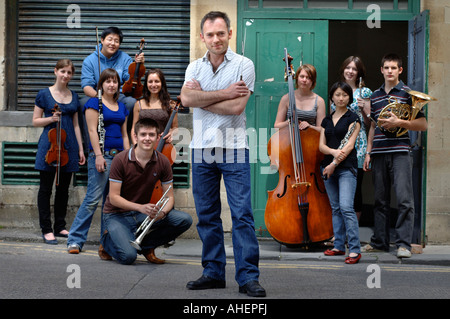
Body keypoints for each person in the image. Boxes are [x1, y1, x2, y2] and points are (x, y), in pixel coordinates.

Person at [180, 11, 266, 297]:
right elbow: (185, 99)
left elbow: (236, 108)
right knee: (207, 216)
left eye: (221, 33)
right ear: (202, 37)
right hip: (201, 149)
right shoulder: (194, 67)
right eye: (210, 34)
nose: (215, 39)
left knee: (242, 215)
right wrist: (225, 92)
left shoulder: (245, 64)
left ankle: (248, 278)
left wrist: (204, 97)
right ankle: (213, 272)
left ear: (230, 33)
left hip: (234, 148)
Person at [99, 118, 192, 265]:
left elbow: (169, 197)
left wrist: (162, 213)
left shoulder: (163, 161)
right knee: (128, 257)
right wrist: (140, 207)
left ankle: (146, 246)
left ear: (157, 137)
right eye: (143, 134)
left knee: (184, 220)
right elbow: (114, 197)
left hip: (142, 214)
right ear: (135, 137)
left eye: (151, 135)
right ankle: (107, 242)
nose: (147, 138)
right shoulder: (120, 159)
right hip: (117, 215)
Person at [363, 53, 428, 258]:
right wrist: (368, 151)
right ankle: (380, 242)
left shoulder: (409, 94)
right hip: (379, 153)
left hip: (400, 152)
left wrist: (400, 123)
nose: (390, 71)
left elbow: (423, 125)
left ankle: (403, 245)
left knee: (404, 199)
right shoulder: (375, 96)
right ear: (381, 70)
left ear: (400, 70)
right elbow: (373, 126)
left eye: (394, 68)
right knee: (380, 200)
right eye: (386, 68)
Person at [67, 68, 130, 254]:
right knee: (92, 200)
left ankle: (106, 243)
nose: (112, 85)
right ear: (101, 84)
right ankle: (75, 240)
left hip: (120, 157)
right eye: (107, 81)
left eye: (115, 81)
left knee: (111, 201)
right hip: (103, 156)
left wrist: (128, 158)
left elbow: (125, 135)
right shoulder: (95, 103)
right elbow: (92, 131)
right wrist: (99, 155)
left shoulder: (122, 106)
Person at [32, 59, 86, 244]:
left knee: (63, 189)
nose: (66, 75)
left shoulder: (74, 96)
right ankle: (46, 229)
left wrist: (80, 148)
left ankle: (60, 226)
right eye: (62, 71)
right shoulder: (44, 94)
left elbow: (77, 125)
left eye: (69, 72)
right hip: (49, 146)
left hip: (69, 146)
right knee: (45, 189)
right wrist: (51, 119)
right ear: (55, 71)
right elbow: (35, 121)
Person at [319, 82, 362, 264]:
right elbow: (321, 146)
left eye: (344, 95)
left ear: (349, 97)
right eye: (337, 94)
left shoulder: (354, 118)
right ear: (332, 97)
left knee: (346, 207)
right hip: (327, 166)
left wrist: (335, 162)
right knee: (335, 208)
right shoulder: (326, 120)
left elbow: (350, 145)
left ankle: (354, 249)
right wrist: (333, 152)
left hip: (346, 169)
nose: (341, 98)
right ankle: (338, 245)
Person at [80, 26, 145, 143]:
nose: (113, 43)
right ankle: (89, 146)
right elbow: (86, 86)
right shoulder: (89, 60)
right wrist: (100, 98)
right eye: (110, 39)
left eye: (116, 41)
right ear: (102, 40)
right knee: (84, 103)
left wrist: (137, 67)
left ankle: (126, 141)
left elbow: (130, 81)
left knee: (131, 102)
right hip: (98, 95)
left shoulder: (125, 58)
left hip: (118, 96)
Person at [332, 56, 372, 221]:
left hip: (358, 142)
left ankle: (351, 231)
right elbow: (331, 118)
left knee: (355, 188)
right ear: (343, 69)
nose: (350, 71)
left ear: (359, 73)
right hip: (339, 141)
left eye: (354, 69)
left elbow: (370, 121)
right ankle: (338, 230)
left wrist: (363, 109)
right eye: (348, 67)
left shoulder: (364, 92)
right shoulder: (337, 90)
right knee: (337, 185)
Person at [130, 69, 178, 146]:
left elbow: (175, 127)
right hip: (143, 145)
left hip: (163, 145)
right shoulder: (138, 104)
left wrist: (171, 133)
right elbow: (133, 129)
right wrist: (136, 146)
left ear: (162, 83)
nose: (153, 85)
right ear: (146, 84)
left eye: (157, 81)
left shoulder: (171, 104)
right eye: (150, 82)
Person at [274, 64, 326, 132]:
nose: (304, 80)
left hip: (311, 140)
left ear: (313, 81)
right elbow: (276, 126)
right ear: (297, 78)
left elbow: (322, 129)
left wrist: (310, 126)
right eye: (302, 76)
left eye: (308, 78)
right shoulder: (286, 98)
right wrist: (289, 122)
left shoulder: (319, 101)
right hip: (290, 141)